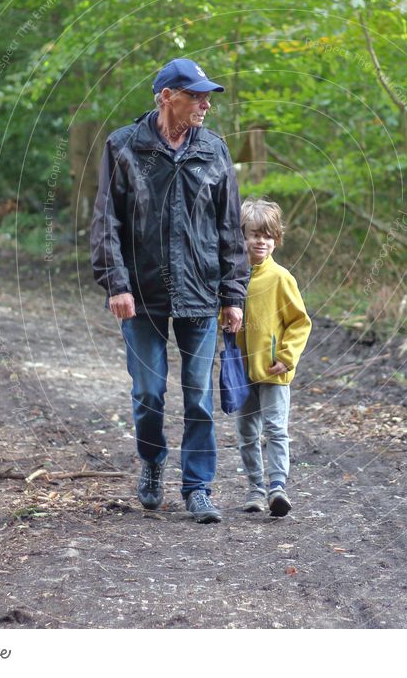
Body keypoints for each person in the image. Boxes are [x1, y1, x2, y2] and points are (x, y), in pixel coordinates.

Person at [91, 58, 247, 524]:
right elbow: (106, 222)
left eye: (207, 97)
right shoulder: (124, 147)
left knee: (198, 394)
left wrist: (233, 294)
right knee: (149, 393)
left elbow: (230, 228)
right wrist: (116, 283)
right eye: (196, 96)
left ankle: (197, 487)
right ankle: (153, 463)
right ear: (166, 97)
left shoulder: (215, 150)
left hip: (202, 292)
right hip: (141, 293)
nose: (205, 105)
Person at [235, 197, 311, 517]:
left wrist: (286, 355)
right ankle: (255, 488)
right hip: (239, 370)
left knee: (276, 429)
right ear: (242, 236)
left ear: (276, 239)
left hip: (273, 369)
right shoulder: (233, 276)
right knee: (247, 432)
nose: (261, 241)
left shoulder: (281, 278)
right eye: (254, 234)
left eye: (267, 235)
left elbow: (299, 321)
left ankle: (277, 487)